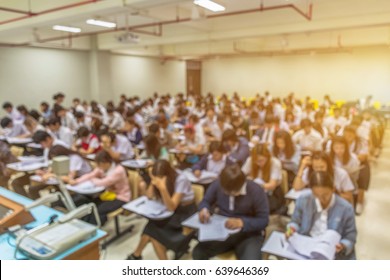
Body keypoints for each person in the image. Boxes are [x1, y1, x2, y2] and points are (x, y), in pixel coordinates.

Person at [192, 164, 269, 260]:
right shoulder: (219, 183)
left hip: (248, 234)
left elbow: (263, 220)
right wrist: (204, 210)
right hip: (222, 230)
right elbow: (206, 201)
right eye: (226, 192)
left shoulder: (256, 190)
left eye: (232, 192)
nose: (229, 195)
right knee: (198, 253)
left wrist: (242, 222)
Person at [127, 160, 196, 260]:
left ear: (168, 175)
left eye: (160, 177)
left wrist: (163, 188)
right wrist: (152, 181)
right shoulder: (159, 178)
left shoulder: (181, 179)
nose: (158, 180)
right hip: (170, 211)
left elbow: (172, 207)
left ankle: (136, 255)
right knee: (152, 228)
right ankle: (137, 255)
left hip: (184, 213)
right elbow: (149, 196)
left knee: (152, 230)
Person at [286, 171, 357, 260]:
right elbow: (295, 221)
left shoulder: (345, 208)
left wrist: (342, 245)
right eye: (316, 195)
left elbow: (350, 237)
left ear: (333, 189)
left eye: (325, 195)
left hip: (332, 251)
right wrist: (291, 229)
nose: (321, 199)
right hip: (307, 244)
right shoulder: (304, 199)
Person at [69, 151, 131, 225]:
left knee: (99, 210)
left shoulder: (118, 170)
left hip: (121, 197)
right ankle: (84, 224)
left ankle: (94, 228)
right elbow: (90, 175)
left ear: (107, 162)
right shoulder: (102, 168)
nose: (99, 167)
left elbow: (104, 182)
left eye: (100, 164)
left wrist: (93, 180)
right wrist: (76, 181)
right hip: (108, 195)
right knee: (89, 205)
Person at [242, 143, 285, 214]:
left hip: (272, 193)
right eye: (256, 161)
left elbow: (272, 185)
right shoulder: (250, 160)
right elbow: (241, 175)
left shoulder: (275, 163)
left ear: (267, 157)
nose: (258, 163)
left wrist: (255, 185)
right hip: (255, 192)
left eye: (261, 160)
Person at [343, 126, 370, 215]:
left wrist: (351, 158)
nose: (348, 136)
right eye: (346, 134)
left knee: (362, 179)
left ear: (355, 135)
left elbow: (362, 156)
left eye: (351, 134)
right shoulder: (341, 142)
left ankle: (359, 202)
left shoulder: (361, 143)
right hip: (345, 165)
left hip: (360, 165)